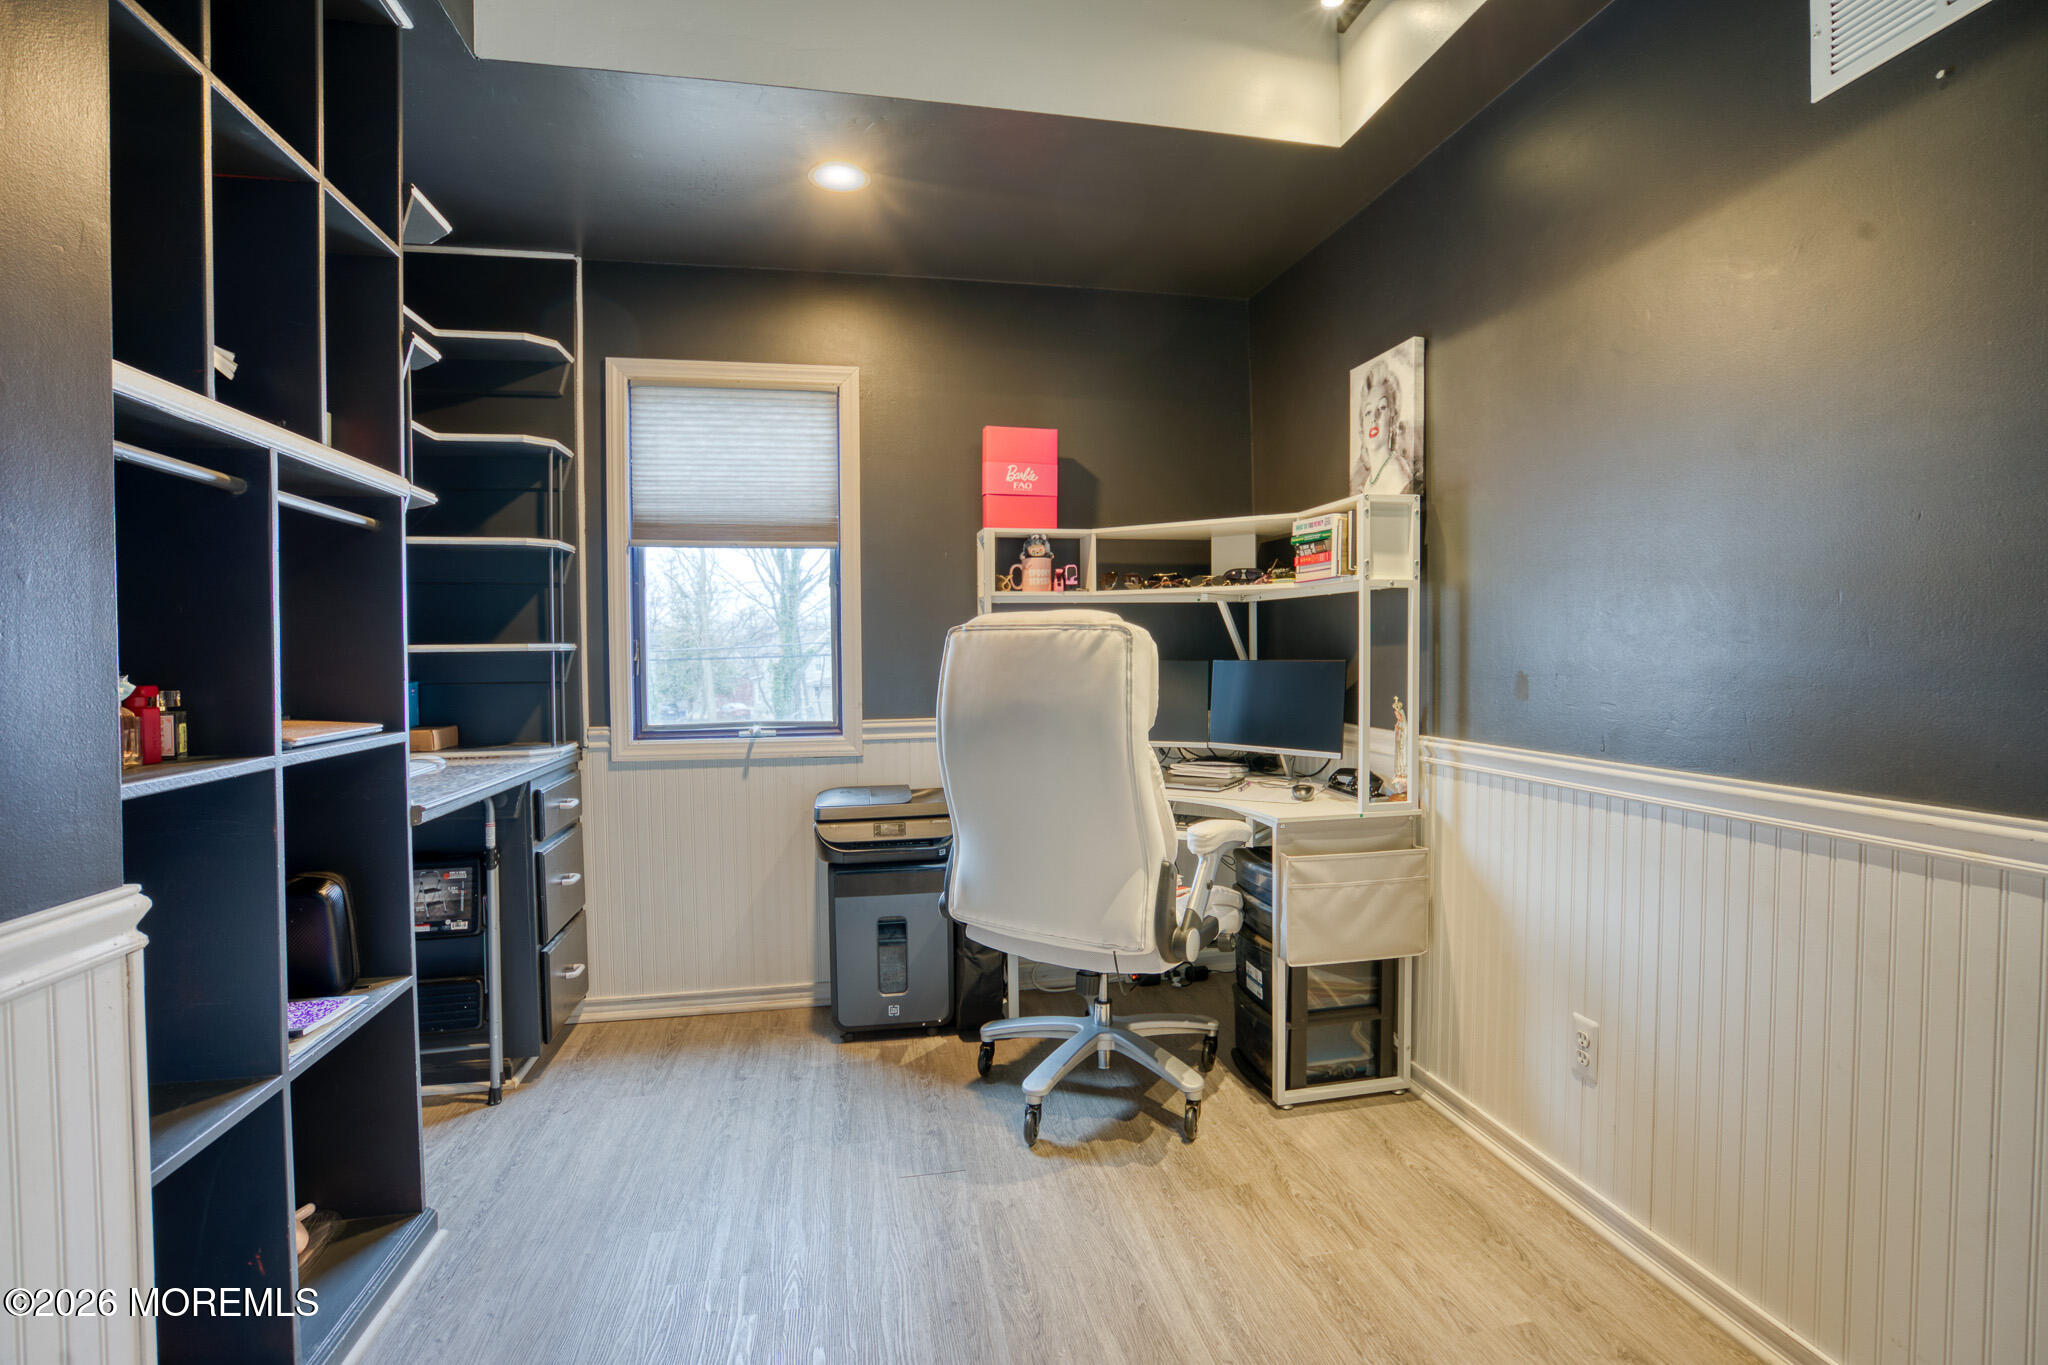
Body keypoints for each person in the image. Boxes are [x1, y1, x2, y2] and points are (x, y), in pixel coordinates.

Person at [1351, 357, 1416, 494]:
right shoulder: (1370, 480)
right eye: (1368, 412)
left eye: (1382, 407)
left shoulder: (1398, 477)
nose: (1374, 418)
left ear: (1392, 420)